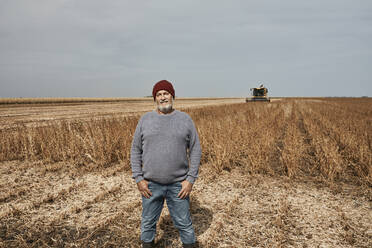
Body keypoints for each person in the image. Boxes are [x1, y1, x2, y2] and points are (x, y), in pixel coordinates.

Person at [130, 80, 202, 248]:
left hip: (179, 185)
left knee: (184, 223)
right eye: (159, 94)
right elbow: (135, 150)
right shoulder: (145, 120)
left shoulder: (185, 119)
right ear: (155, 98)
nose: (163, 97)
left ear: (172, 96)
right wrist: (139, 179)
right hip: (150, 185)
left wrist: (190, 180)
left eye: (166, 93)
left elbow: (196, 150)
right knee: (148, 222)